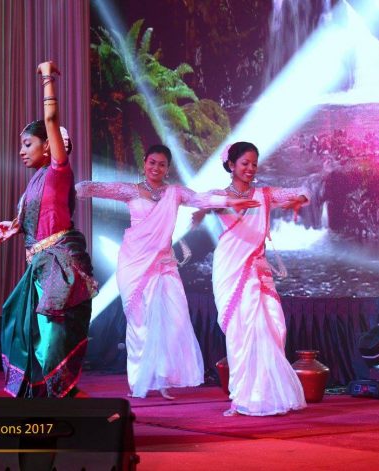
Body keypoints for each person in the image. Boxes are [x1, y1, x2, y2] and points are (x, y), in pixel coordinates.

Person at [75, 145, 258, 399]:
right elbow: (98, 188)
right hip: (134, 264)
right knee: (139, 323)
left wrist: (229, 200)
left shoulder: (175, 193)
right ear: (144, 163)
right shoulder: (131, 191)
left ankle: (161, 377)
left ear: (167, 168)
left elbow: (201, 199)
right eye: (152, 162)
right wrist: (73, 187)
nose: (156, 168)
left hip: (164, 264)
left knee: (175, 321)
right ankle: (139, 381)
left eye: (161, 164)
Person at [0, 61, 97, 398]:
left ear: (49, 146)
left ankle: (64, 397)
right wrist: (14, 227)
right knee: (24, 330)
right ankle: (48, 398)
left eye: (27, 144)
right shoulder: (35, 182)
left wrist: (47, 77)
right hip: (39, 266)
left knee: (51, 338)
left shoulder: (58, 171)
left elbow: (51, 119)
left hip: (58, 266)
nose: (21, 151)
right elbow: (39, 216)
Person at [211, 141, 308, 416]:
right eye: (245, 163)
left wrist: (298, 200)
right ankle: (243, 396)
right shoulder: (219, 196)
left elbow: (303, 191)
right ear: (231, 165)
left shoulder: (264, 194)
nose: (251, 168)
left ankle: (268, 393)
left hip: (257, 267)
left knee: (275, 326)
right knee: (241, 331)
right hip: (230, 268)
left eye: (254, 163)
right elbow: (200, 201)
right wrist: (226, 203)